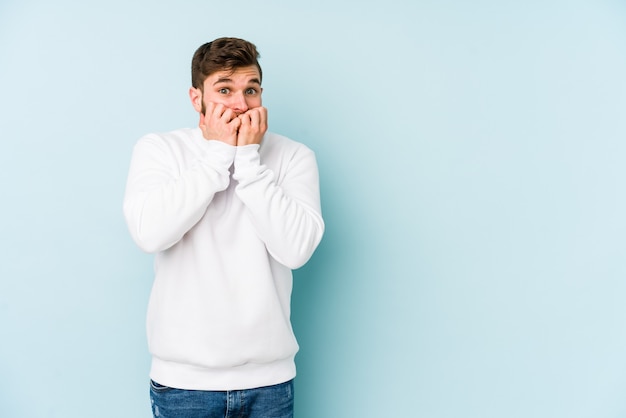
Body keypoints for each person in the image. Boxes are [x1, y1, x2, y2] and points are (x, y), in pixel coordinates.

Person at [123, 37, 324, 418]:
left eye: (251, 90)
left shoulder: (294, 156)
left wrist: (248, 159)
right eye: (224, 90)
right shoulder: (160, 150)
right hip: (184, 384)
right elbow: (149, 233)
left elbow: (296, 250)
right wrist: (218, 155)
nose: (240, 104)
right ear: (196, 98)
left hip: (269, 383)